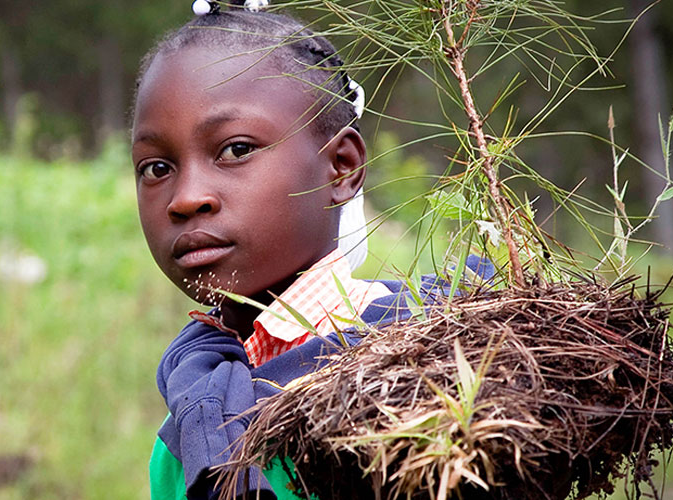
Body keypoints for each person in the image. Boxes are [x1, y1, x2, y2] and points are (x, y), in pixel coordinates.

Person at [132, 2, 494, 498]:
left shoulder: (435, 369)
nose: (187, 197)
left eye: (236, 149)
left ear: (341, 167)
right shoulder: (189, 422)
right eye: (156, 167)